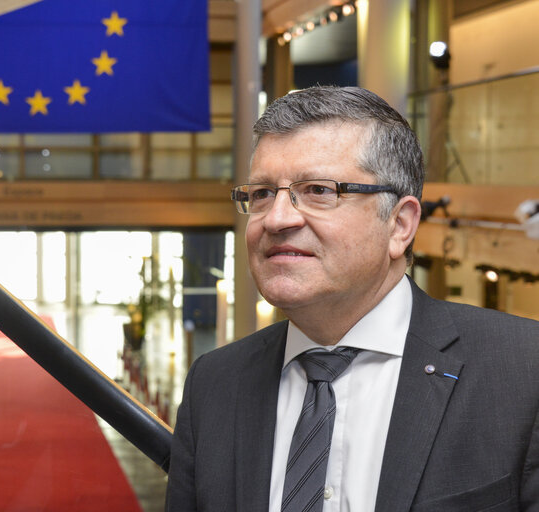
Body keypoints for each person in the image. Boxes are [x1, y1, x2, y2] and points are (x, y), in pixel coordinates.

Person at [166, 86, 539, 512]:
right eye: (262, 193)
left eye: (319, 190)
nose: (277, 218)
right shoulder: (214, 383)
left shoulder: (525, 371)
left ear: (399, 224)